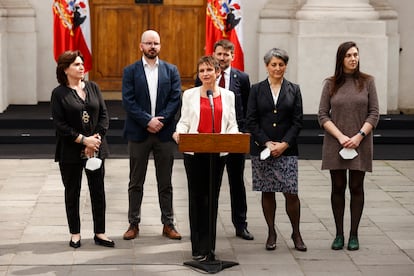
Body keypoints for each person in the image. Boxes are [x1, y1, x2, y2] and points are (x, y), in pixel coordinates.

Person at [173, 55, 239, 260]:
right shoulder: (190, 95)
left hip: (217, 154)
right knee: (196, 198)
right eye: (202, 71)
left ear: (218, 72)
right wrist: (178, 132)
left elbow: (232, 124)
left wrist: (234, 137)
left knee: (212, 199)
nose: (205, 74)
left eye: (209, 70)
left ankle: (209, 246)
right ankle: (197, 247)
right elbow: (184, 121)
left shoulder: (228, 96)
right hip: (195, 154)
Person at [318, 41, 379, 251]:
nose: (353, 58)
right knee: (337, 187)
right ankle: (338, 234)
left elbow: (374, 113)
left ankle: (354, 234)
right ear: (341, 59)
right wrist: (341, 136)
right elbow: (322, 114)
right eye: (349, 55)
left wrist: (359, 136)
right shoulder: (331, 83)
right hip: (336, 142)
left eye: (356, 55)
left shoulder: (368, 82)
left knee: (356, 187)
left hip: (360, 143)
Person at [122, 30, 182, 240]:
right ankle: (133, 223)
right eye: (148, 43)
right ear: (141, 46)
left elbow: (176, 99)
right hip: (139, 133)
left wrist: (160, 120)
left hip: (164, 134)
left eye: (156, 43)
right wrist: (147, 120)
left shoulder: (171, 70)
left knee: (165, 182)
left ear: (160, 46)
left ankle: (168, 223)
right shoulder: (130, 71)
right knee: (135, 181)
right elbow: (128, 101)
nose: (152, 47)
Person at [51, 50, 114, 248]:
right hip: (70, 151)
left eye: (82, 64)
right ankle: (75, 233)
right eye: (77, 64)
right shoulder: (58, 93)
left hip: (95, 149)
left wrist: (96, 139)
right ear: (65, 69)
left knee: (98, 191)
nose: (81, 67)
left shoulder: (93, 87)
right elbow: (60, 124)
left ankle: (100, 232)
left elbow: (104, 116)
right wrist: (83, 140)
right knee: (72, 192)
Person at [246, 48, 307, 252]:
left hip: (287, 149)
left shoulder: (294, 89)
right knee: (268, 191)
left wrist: (284, 144)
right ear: (267, 66)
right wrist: (266, 143)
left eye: (281, 64)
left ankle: (296, 233)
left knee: (291, 193)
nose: (277, 68)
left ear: (285, 66)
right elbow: (251, 121)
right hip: (263, 150)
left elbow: (298, 121)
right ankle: (271, 232)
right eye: (274, 64)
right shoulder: (256, 89)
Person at [195, 39, 253, 240]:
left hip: (234, 139)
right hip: (210, 140)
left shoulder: (242, 78)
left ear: (232, 57)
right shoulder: (204, 76)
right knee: (212, 183)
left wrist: (243, 132)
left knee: (237, 182)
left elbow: (247, 107)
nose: (222, 58)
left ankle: (240, 224)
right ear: (214, 54)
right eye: (219, 54)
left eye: (226, 55)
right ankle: (209, 225)